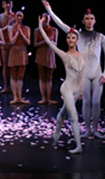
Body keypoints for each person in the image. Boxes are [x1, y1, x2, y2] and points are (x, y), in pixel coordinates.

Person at [42, 0, 105, 139]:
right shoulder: (78, 35)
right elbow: (61, 25)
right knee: (86, 101)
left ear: (95, 20)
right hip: (84, 74)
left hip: (97, 73)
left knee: (96, 102)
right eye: (87, 18)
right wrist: (50, 11)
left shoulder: (101, 37)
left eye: (91, 18)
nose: (89, 21)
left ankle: (96, 129)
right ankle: (87, 130)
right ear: (83, 20)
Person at [35, 14, 85, 154]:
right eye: (68, 38)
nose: (70, 40)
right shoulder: (64, 54)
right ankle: (79, 146)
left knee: (63, 114)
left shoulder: (83, 56)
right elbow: (49, 43)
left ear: (77, 40)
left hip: (76, 89)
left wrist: (81, 90)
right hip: (67, 89)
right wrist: (40, 26)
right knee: (73, 116)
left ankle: (56, 135)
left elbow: (82, 75)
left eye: (73, 38)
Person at [6, 10, 31, 105]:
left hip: (22, 51)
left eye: (20, 16)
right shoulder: (10, 28)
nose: (19, 17)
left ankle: (20, 97)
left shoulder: (27, 28)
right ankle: (15, 97)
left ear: (23, 17)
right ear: (15, 17)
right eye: (17, 15)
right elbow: (11, 42)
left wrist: (22, 34)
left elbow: (28, 42)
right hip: (13, 51)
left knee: (20, 75)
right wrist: (17, 34)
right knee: (13, 74)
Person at [34, 13, 58, 105]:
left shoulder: (54, 30)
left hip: (50, 53)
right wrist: (45, 41)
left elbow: (56, 44)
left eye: (47, 18)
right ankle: (43, 98)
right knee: (42, 76)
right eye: (44, 18)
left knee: (49, 77)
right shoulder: (37, 30)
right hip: (41, 53)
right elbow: (35, 44)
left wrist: (50, 42)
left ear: (50, 19)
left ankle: (49, 98)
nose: (46, 19)